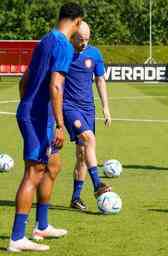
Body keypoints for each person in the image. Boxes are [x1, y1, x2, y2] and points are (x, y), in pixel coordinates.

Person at [8, 3, 84, 252]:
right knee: (34, 171)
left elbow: (25, 79)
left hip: (35, 112)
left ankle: (41, 225)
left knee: (53, 165)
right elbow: (55, 86)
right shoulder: (63, 45)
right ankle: (17, 237)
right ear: (77, 21)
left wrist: (26, 103)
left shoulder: (45, 40)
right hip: (40, 116)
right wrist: (60, 124)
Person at [63, 21, 112, 212]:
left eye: (87, 40)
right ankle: (98, 184)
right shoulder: (64, 53)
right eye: (80, 39)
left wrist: (105, 108)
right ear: (73, 36)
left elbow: (100, 80)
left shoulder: (95, 54)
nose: (84, 43)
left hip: (88, 109)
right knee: (88, 139)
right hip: (69, 106)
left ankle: (75, 198)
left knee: (82, 155)